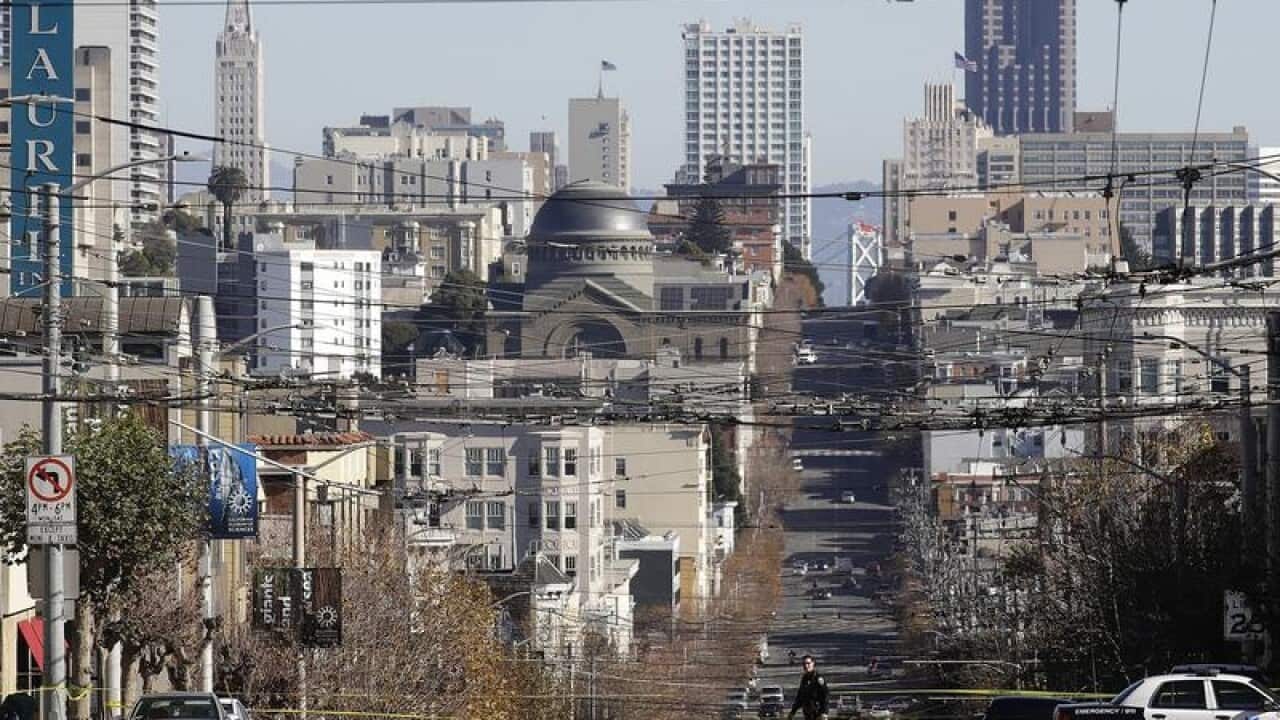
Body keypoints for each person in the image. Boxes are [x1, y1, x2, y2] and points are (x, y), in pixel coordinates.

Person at [789, 654, 829, 720]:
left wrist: (824, 712)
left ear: (813, 663)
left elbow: (826, 695)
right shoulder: (804, 679)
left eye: (808, 663)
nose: (806, 666)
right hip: (808, 714)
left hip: (818, 714)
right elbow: (800, 697)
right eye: (804, 664)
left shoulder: (818, 678)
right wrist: (793, 712)